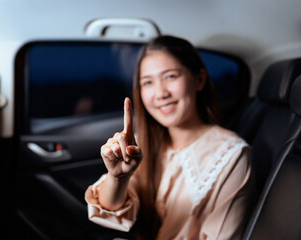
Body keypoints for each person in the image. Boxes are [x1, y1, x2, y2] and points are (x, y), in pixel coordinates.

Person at [85, 35, 253, 240]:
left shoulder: (231, 154)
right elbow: (110, 210)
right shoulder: (141, 143)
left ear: (199, 80)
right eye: (148, 82)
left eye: (171, 76)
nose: (160, 93)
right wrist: (118, 177)